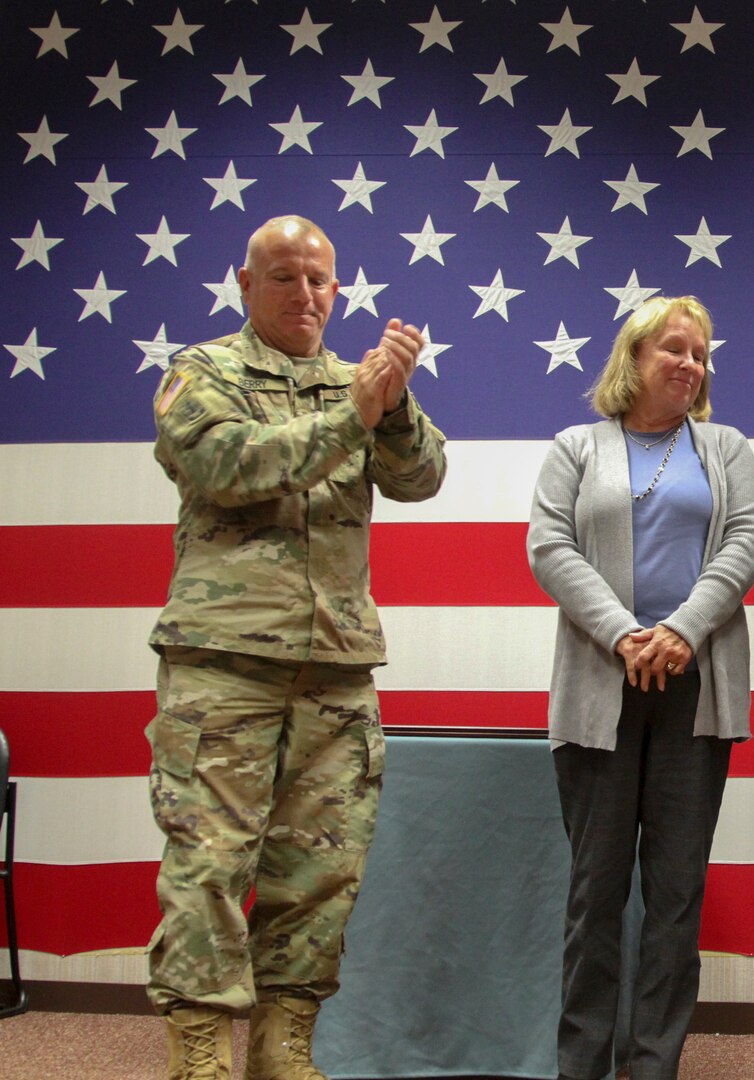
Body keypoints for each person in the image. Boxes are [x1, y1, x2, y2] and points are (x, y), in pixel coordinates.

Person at [146, 215, 446, 1080]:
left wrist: (393, 401)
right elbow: (228, 467)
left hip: (336, 671)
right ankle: (199, 1051)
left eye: (320, 280)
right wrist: (356, 413)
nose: (306, 294)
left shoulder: (359, 382)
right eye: (284, 277)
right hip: (223, 666)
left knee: (317, 873)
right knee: (208, 864)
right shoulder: (202, 373)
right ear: (246, 286)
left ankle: (284, 1048)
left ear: (337, 289)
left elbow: (422, 478)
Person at [528, 296, 754, 1080]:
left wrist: (678, 633)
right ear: (632, 357)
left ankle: (654, 1064)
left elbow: (743, 546)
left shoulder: (726, 448)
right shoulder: (576, 445)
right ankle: (582, 1066)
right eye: (674, 348)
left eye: (700, 354)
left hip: (696, 690)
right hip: (600, 688)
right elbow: (549, 547)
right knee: (595, 895)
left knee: (674, 896)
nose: (690, 364)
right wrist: (625, 633)